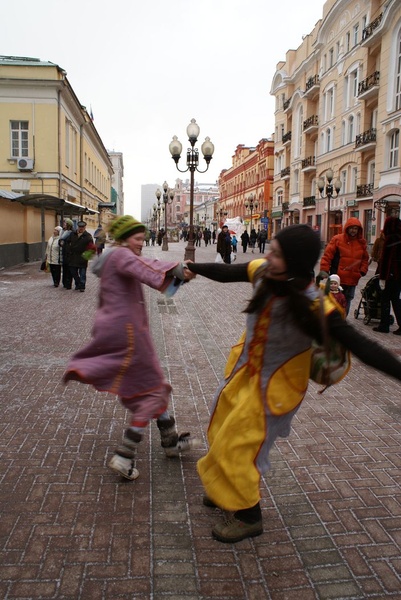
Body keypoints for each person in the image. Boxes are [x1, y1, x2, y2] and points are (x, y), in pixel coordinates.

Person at [186, 224, 401, 544]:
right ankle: (224, 489)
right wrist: (194, 267)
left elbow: (363, 347)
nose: (267, 255)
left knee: (241, 443)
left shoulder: (317, 306)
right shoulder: (265, 273)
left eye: (276, 253)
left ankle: (248, 515)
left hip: (276, 388)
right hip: (245, 373)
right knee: (220, 429)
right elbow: (228, 271)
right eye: (270, 249)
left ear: (295, 261)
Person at [63, 215, 198, 480]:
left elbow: (146, 265)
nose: (141, 242)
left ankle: (170, 441)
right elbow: (147, 270)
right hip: (129, 332)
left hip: (117, 328)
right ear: (124, 238)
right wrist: (180, 271)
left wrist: (177, 273)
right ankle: (125, 455)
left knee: (150, 384)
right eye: (137, 238)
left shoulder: (113, 256)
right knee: (152, 392)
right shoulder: (122, 255)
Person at [320, 217, 369, 315]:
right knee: (333, 299)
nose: (353, 231)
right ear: (347, 228)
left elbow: (365, 259)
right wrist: (324, 269)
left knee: (347, 300)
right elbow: (327, 255)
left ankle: (343, 319)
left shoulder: (361, 242)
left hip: (352, 278)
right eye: (351, 228)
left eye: (355, 228)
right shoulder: (337, 239)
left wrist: (362, 271)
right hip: (337, 278)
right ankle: (332, 320)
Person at [373, 216, 401, 335]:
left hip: (390, 275)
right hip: (399, 276)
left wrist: (382, 277)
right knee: (396, 300)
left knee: (385, 299)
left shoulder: (390, 239)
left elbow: (385, 260)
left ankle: (384, 325)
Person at [65, 220, 94, 292]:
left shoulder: (88, 236)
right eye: (80, 227)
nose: (81, 228)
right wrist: (69, 251)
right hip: (73, 257)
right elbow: (67, 243)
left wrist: (87, 255)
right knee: (73, 272)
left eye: (82, 227)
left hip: (82, 258)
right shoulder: (72, 234)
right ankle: (78, 283)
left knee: (82, 274)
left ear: (85, 227)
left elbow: (91, 247)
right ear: (77, 227)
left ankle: (82, 286)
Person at [59, 219, 74, 289]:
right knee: (64, 268)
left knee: (69, 269)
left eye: (65, 223)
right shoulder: (63, 232)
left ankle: (68, 284)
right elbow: (60, 241)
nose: (64, 224)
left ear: (68, 225)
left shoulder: (71, 233)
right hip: (64, 252)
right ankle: (64, 283)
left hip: (69, 253)